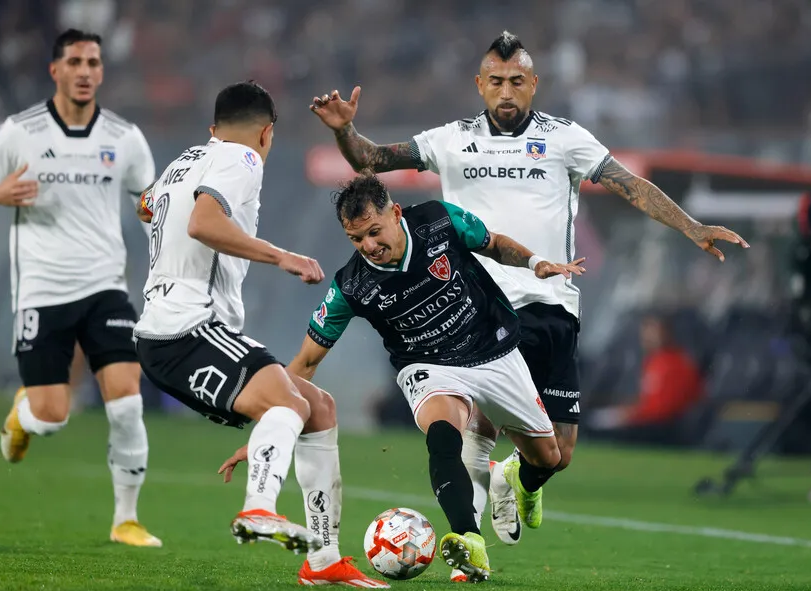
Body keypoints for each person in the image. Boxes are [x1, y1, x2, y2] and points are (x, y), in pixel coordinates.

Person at [308, 31, 750, 562]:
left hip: (551, 300)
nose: (506, 91)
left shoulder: (564, 138)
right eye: (495, 81)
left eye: (517, 80)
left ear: (534, 84)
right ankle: (467, 542)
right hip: (481, 303)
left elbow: (628, 183)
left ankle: (514, 480)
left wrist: (692, 226)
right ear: (480, 85)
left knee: (558, 455)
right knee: (473, 423)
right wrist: (345, 130)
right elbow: (374, 158)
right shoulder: (451, 139)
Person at [133, 81, 388, 588]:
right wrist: (283, 256)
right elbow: (203, 223)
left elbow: (147, 205)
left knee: (318, 408)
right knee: (288, 406)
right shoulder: (243, 160)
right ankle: (258, 509)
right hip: (189, 326)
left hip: (167, 332)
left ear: (212, 129)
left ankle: (323, 561)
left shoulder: (186, 161)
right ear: (267, 133)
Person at [286, 173, 584, 582]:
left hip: (492, 349)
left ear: (395, 213)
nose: (369, 246)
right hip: (426, 365)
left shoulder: (438, 221)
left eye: (374, 232)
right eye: (356, 239)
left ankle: (514, 476)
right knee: (443, 431)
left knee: (550, 458)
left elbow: (492, 242)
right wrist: (274, 424)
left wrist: (536, 263)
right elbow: (304, 362)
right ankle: (469, 541)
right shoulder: (352, 285)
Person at [0, 29, 161, 547]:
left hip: (105, 287)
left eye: (94, 61)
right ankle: (23, 416)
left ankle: (126, 520)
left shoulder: (123, 138)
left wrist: (162, 251)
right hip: (43, 290)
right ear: (56, 70)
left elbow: (151, 207)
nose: (86, 71)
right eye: (75, 61)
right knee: (51, 417)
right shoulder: (19, 132)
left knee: (127, 402)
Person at [588, 315, 704, 444]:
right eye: (644, 331)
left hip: (666, 426)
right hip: (651, 420)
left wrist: (629, 415)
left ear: (666, 333)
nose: (646, 337)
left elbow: (664, 409)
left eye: (652, 332)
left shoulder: (675, 363)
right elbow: (648, 400)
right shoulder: (654, 361)